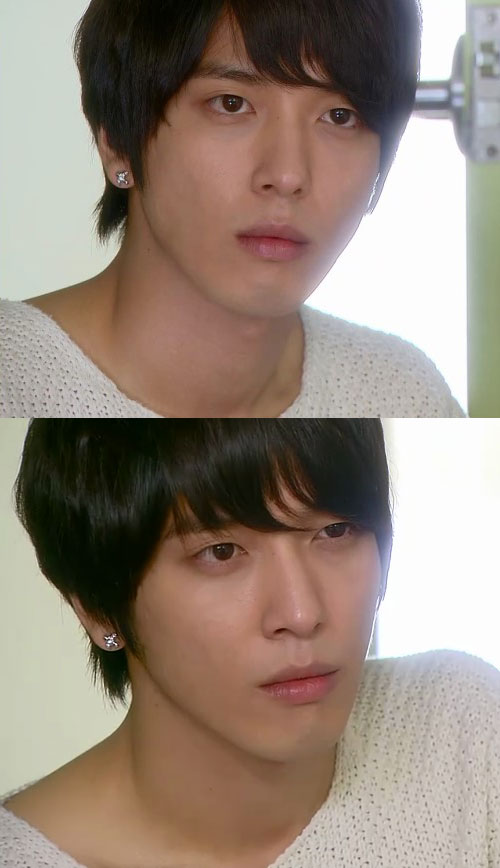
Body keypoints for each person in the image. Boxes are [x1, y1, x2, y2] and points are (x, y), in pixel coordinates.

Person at [1, 419, 498, 868]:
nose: (301, 614)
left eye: (336, 530)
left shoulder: (462, 729)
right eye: (221, 552)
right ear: (97, 606)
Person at [0, 1, 464, 418]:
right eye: (231, 104)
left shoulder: (403, 393)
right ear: (117, 143)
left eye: (340, 116)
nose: (288, 175)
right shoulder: (14, 376)